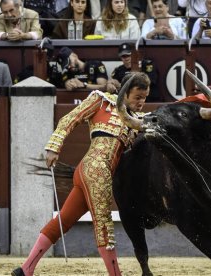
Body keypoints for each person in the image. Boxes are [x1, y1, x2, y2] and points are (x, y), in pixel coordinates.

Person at [11, 72, 151, 276]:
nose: (141, 102)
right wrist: (53, 146)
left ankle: (25, 269)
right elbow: (70, 118)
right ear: (124, 93)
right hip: (96, 171)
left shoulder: (138, 121)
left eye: (145, 98)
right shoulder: (101, 101)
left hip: (89, 172)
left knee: (63, 221)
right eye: (137, 97)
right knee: (104, 227)